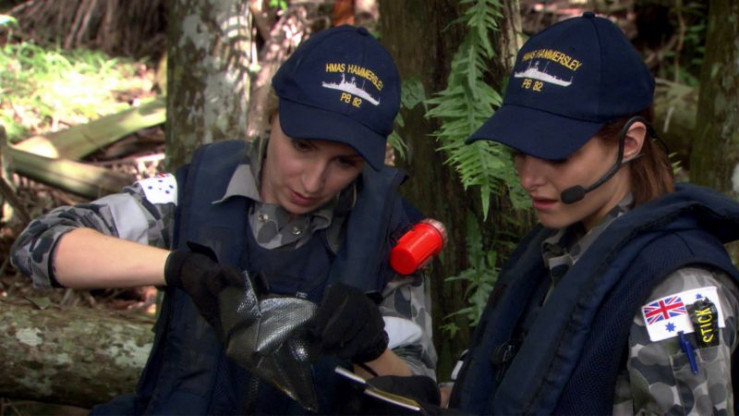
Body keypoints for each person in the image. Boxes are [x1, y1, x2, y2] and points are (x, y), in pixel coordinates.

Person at [10, 25, 436, 415]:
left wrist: (372, 348)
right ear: (272, 116)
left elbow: (419, 400)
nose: (313, 181)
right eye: (302, 147)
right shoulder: (199, 190)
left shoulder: (389, 238)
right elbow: (39, 246)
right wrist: (176, 268)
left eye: (344, 163)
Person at [447, 11, 739, 416]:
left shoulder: (677, 290)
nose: (529, 178)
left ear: (630, 143)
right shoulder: (560, 242)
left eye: (557, 154)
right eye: (519, 151)